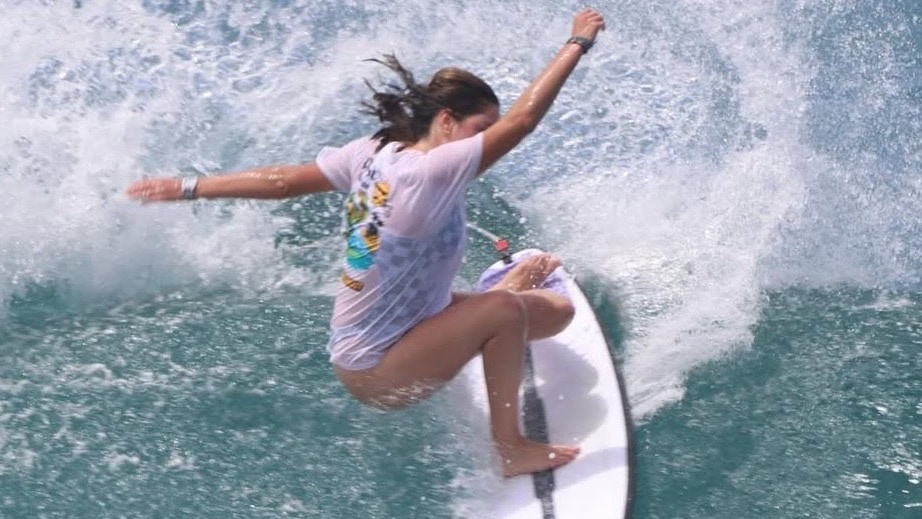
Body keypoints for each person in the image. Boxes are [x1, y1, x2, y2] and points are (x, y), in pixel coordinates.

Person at [127, 8, 606, 477]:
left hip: (411, 326)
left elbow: (284, 181)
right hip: (377, 373)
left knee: (556, 314)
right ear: (444, 120)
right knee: (506, 313)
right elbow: (521, 122)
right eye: (478, 129)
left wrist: (187, 187)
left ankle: (493, 307)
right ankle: (511, 448)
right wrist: (577, 42)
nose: (484, 143)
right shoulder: (431, 172)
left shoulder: (375, 151)